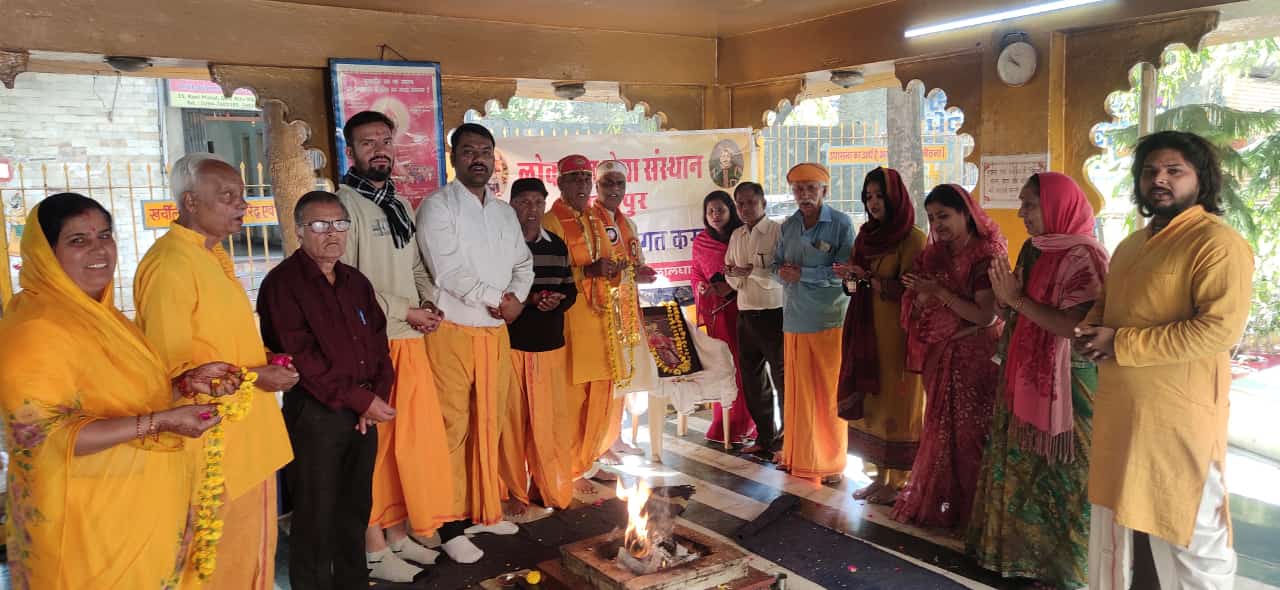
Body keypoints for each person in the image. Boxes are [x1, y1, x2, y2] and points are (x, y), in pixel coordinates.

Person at [0, 193, 238, 589]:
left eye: (105, 235)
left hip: (134, 512)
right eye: (78, 240)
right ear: (46, 254)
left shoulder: (102, 317)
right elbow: (42, 436)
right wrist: (161, 422)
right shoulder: (36, 329)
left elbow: (121, 397)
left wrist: (182, 385)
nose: (99, 250)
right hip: (84, 528)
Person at [1078, 131, 1253, 590]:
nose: (1159, 179)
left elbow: (1218, 330)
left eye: (1175, 171)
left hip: (1177, 420)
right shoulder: (1132, 245)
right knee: (1121, 534)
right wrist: (1091, 332)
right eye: (1150, 171)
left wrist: (1121, 343)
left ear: (1201, 180)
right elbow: (1107, 305)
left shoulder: (1217, 243)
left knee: (1191, 538)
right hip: (1122, 415)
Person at [134, 153, 296, 588]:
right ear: (190, 202)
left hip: (248, 438)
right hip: (215, 445)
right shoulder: (170, 264)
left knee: (251, 552)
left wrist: (264, 361)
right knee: (217, 559)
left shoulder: (209, 254)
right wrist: (256, 376)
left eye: (241, 195)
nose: (241, 205)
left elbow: (218, 342)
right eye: (227, 196)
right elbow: (175, 373)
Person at [967, 173, 1109, 588]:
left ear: (1057, 206)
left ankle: (1065, 571)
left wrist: (1016, 300)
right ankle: (1015, 557)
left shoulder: (1086, 257)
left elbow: (1075, 327)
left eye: (1029, 204)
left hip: (1071, 384)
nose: (1021, 213)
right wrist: (1004, 301)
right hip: (1025, 370)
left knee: (1068, 476)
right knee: (1020, 464)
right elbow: (1016, 307)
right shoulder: (1033, 248)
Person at [257, 191, 396, 589]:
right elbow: (300, 357)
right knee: (315, 515)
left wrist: (375, 398)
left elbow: (379, 343)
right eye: (319, 225)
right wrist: (361, 400)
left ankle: (353, 583)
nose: (332, 233)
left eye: (339, 224)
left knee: (355, 510)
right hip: (317, 414)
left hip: (362, 415)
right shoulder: (283, 284)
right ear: (300, 230)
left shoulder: (355, 282)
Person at [334, 110, 448, 582]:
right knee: (374, 450)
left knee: (408, 445)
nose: (379, 150)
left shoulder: (397, 201)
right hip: (371, 347)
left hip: (409, 340)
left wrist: (428, 301)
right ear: (350, 151)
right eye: (367, 143)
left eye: (385, 141)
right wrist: (406, 309)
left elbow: (416, 264)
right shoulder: (343, 206)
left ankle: (398, 532)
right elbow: (344, 284)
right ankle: (373, 546)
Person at [416, 123, 533, 564]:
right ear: (453, 157)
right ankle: (447, 525)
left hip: (495, 333)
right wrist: (497, 300)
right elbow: (447, 272)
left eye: (485, 150)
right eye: (468, 151)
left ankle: (483, 509)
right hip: (451, 332)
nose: (478, 158)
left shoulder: (503, 213)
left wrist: (515, 300)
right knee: (451, 427)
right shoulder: (437, 207)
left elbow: (523, 264)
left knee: (490, 421)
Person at [891, 184, 1005, 530]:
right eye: (931, 217)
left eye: (944, 215)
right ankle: (946, 505)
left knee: (971, 434)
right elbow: (917, 298)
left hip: (975, 358)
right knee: (942, 431)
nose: (937, 224)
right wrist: (919, 298)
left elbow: (985, 316)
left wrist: (937, 292)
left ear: (966, 214)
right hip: (940, 355)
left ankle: (976, 515)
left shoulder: (985, 255)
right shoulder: (934, 255)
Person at [833, 167, 927, 506]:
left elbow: (911, 291)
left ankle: (898, 482)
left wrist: (866, 277)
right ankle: (878, 478)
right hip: (866, 331)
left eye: (879, 196)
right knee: (872, 404)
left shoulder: (913, 239)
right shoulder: (865, 236)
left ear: (895, 197)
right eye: (868, 197)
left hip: (897, 336)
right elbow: (854, 288)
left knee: (897, 405)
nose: (873, 203)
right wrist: (849, 277)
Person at [497, 178, 579, 516]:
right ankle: (513, 491)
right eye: (524, 202)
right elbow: (497, 293)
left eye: (537, 202)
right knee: (512, 425)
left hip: (549, 345)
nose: (532, 209)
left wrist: (556, 301)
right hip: (513, 344)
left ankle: (546, 487)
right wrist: (531, 300)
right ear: (511, 205)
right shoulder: (500, 244)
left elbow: (571, 290)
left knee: (549, 423)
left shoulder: (556, 245)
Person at [542, 154, 621, 492]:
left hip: (600, 322)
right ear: (560, 183)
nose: (582, 185)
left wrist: (615, 270)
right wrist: (587, 271)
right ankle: (569, 468)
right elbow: (547, 275)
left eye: (586, 179)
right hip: (570, 324)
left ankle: (590, 460)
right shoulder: (550, 222)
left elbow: (610, 263)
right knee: (571, 399)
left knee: (598, 397)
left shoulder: (596, 220)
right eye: (574, 178)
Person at [773, 163, 853, 482]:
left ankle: (830, 463)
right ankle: (798, 456)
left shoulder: (841, 224)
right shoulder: (789, 225)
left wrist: (802, 274)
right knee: (798, 395)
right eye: (798, 189)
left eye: (810, 188)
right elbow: (777, 265)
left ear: (824, 191)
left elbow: (844, 271)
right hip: (794, 319)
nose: (804, 195)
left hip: (827, 320)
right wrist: (780, 273)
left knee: (827, 395)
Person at [592, 159, 659, 458]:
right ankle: (599, 442)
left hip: (627, 310)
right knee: (605, 378)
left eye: (620, 183)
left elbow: (635, 263)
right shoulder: (590, 221)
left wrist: (641, 273)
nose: (614, 189)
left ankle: (614, 437)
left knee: (623, 375)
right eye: (608, 183)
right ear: (597, 186)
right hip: (600, 311)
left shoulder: (628, 223)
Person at [725, 182, 786, 457]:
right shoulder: (737, 234)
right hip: (745, 313)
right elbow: (729, 269)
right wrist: (737, 275)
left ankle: (786, 440)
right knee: (752, 379)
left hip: (774, 313)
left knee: (782, 380)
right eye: (740, 204)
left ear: (763, 203)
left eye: (751, 202)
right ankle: (765, 436)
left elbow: (781, 274)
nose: (745, 208)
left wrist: (752, 272)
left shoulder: (777, 231)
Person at [692, 190, 757, 445]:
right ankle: (723, 422)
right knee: (722, 366)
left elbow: (752, 271)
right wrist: (701, 287)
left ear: (731, 211)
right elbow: (696, 274)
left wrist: (730, 287)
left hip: (742, 308)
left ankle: (747, 423)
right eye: (710, 211)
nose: (715, 215)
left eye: (720, 210)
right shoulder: (701, 241)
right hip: (717, 314)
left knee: (743, 366)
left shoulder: (741, 237)